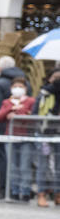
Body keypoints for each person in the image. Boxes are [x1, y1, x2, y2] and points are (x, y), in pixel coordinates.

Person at [0, 56, 27, 198]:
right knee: (19, 163)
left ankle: (2, 189)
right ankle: (18, 191)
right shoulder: (26, 82)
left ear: (0, 68)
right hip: (22, 130)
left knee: (1, 161)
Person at [0, 77, 36, 202]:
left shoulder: (31, 101)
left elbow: (32, 117)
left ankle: (25, 191)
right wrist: (10, 109)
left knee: (25, 166)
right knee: (12, 166)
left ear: (25, 88)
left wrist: (19, 112)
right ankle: (14, 190)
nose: (17, 89)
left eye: (21, 86)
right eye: (15, 86)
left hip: (25, 138)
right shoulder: (7, 102)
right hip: (11, 137)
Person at [33, 70, 60, 207]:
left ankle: (58, 194)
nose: (57, 80)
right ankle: (41, 194)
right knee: (42, 166)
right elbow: (35, 113)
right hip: (44, 133)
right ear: (49, 79)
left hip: (59, 134)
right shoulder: (44, 93)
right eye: (55, 77)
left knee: (59, 166)